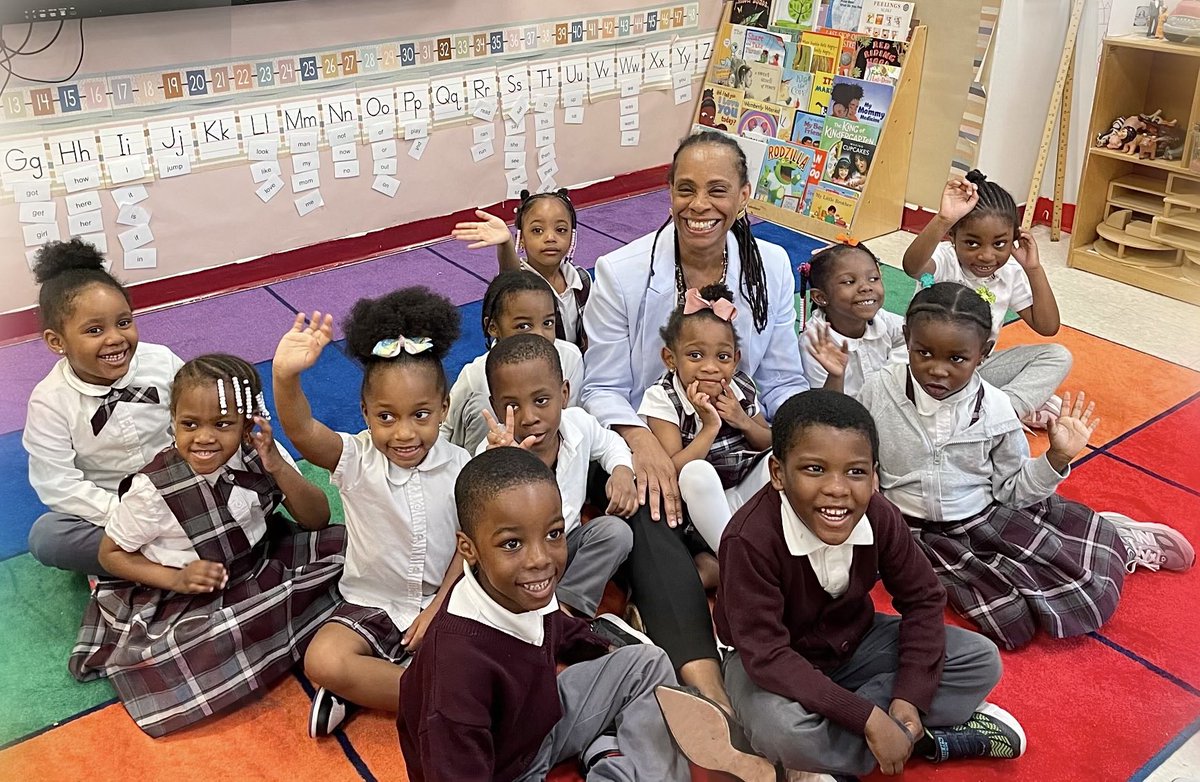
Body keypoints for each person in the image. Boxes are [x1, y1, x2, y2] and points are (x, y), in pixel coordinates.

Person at [656, 390, 1025, 780]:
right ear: (779, 473)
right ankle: (914, 740)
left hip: (856, 643)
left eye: (855, 471)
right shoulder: (748, 539)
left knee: (980, 660)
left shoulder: (880, 516)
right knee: (782, 732)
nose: (838, 489)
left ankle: (858, 747)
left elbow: (923, 599)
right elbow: (766, 655)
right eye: (814, 469)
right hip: (772, 664)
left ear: (874, 475)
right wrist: (866, 717)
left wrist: (909, 697)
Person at [582, 129, 808, 711]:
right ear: (668, 193)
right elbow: (600, 388)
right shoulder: (621, 272)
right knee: (655, 508)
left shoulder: (772, 267)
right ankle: (705, 680)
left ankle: (762, 604)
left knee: (825, 470)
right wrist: (641, 447)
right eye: (685, 190)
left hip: (737, 440)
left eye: (717, 190)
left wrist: (798, 435)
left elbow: (782, 378)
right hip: (646, 437)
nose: (699, 206)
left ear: (744, 195)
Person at [854, 282, 1193, 649]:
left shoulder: (997, 409)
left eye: (956, 359)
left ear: (983, 353)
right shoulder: (878, 389)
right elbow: (855, 448)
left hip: (981, 517)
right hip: (908, 528)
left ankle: (1115, 537)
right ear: (907, 339)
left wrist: (1056, 458)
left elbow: (1014, 490)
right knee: (1010, 624)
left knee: (1082, 596)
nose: (937, 371)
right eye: (924, 353)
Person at [69, 355, 345, 737]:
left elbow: (317, 519)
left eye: (222, 424)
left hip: (260, 559)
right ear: (173, 422)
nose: (204, 437)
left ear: (248, 425)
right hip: (190, 595)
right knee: (192, 647)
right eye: (189, 424)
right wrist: (176, 578)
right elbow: (110, 555)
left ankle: (294, 637)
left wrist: (277, 467)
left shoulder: (260, 452)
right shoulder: (151, 491)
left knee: (350, 551)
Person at [397, 447, 689, 782]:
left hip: (538, 724)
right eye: (511, 544)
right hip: (502, 771)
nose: (540, 560)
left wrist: (601, 647)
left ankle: (608, 750)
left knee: (647, 664)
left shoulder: (523, 590)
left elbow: (557, 628)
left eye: (553, 534)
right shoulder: (454, 674)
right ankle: (611, 755)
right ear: (469, 548)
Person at [271, 287, 471, 737]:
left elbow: (469, 547)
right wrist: (284, 377)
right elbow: (301, 429)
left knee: (487, 647)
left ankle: (366, 687)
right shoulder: (356, 459)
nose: (404, 433)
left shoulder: (464, 467)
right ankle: (438, 701)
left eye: (420, 414)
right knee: (323, 658)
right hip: (371, 603)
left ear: (444, 408)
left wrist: (437, 609)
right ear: (364, 413)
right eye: (386, 417)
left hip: (447, 602)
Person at [23, 238, 184, 576]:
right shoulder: (49, 401)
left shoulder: (161, 361)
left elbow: (199, 420)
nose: (115, 338)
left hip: (180, 489)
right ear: (57, 342)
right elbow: (58, 483)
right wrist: (127, 516)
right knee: (47, 536)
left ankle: (145, 563)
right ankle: (160, 561)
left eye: (124, 322)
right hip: (111, 507)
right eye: (94, 330)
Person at [478, 333, 639, 625]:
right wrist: (509, 464)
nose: (529, 417)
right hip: (519, 560)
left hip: (563, 550)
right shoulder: (492, 452)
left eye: (541, 400)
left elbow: (611, 444)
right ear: (495, 405)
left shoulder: (579, 423)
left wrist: (622, 471)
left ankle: (563, 610)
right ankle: (533, 618)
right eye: (512, 406)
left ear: (564, 394)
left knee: (615, 533)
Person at [901, 170, 1071, 427]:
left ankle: (999, 416)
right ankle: (982, 412)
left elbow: (1047, 327)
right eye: (972, 243)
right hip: (928, 372)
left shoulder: (1010, 272)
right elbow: (912, 266)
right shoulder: (946, 260)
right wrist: (943, 219)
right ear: (952, 237)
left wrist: (1033, 269)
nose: (986, 256)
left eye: (1000, 244)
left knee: (1058, 356)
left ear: (1014, 240)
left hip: (973, 372)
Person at [640, 282, 772, 554]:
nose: (710, 367)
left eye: (722, 357)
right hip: (699, 509)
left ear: (735, 361)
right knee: (695, 472)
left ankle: (749, 552)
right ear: (670, 358)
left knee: (780, 461)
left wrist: (743, 421)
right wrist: (710, 428)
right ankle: (734, 558)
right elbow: (673, 470)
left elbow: (769, 443)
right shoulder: (663, 397)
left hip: (745, 494)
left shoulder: (740, 387)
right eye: (695, 355)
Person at [442, 270, 584, 453]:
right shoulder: (475, 373)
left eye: (548, 323)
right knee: (481, 407)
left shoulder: (570, 357)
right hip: (489, 460)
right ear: (493, 327)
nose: (539, 335)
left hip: (549, 456)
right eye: (523, 326)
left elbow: (574, 421)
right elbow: (444, 428)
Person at [452, 189, 590, 348]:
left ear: (571, 236)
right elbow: (511, 281)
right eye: (537, 230)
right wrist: (506, 244)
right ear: (522, 239)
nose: (550, 238)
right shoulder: (519, 283)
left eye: (561, 230)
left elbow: (590, 332)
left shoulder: (581, 279)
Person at [799, 241, 905, 397]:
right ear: (820, 297)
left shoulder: (881, 319)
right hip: (844, 415)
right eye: (849, 282)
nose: (866, 287)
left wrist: (894, 367)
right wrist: (836, 375)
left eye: (874, 278)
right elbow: (825, 407)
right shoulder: (815, 342)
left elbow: (915, 334)